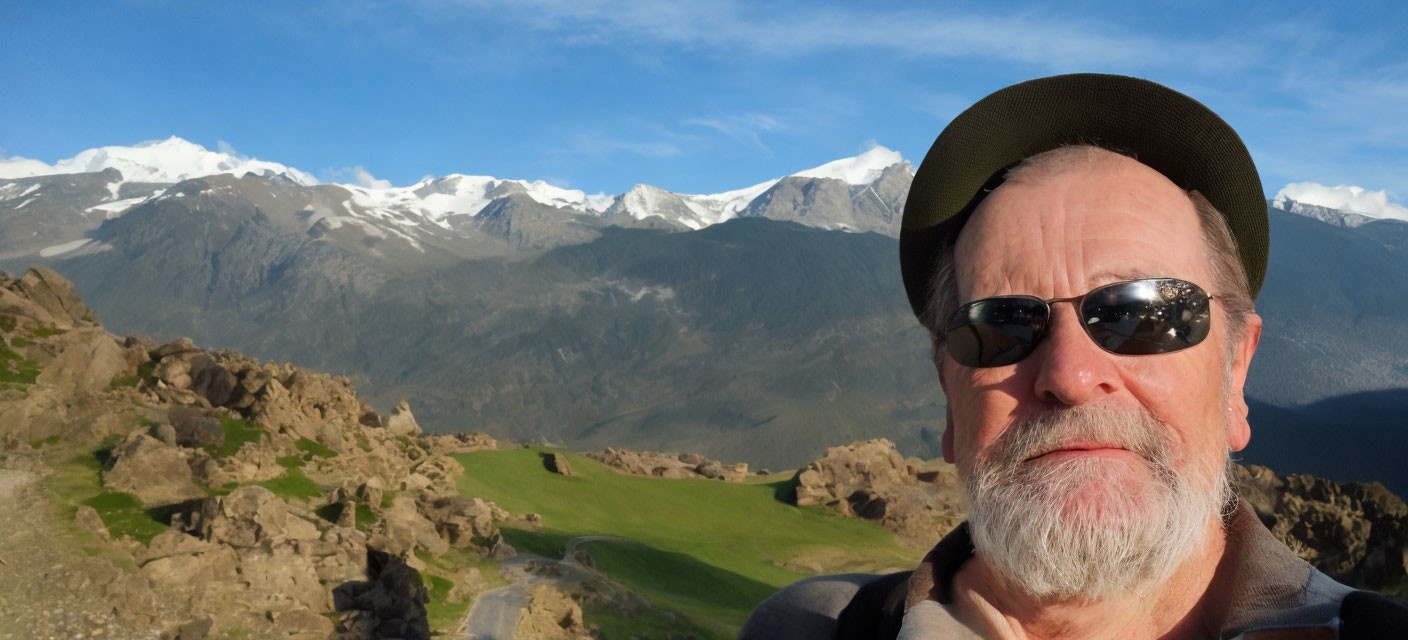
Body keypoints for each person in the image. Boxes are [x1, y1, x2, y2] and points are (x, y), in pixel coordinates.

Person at [739, 74, 1408, 639]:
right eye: (1001, 325)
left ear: (1236, 372)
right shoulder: (808, 627)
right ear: (950, 394)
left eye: (1143, 313)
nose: (1070, 374)